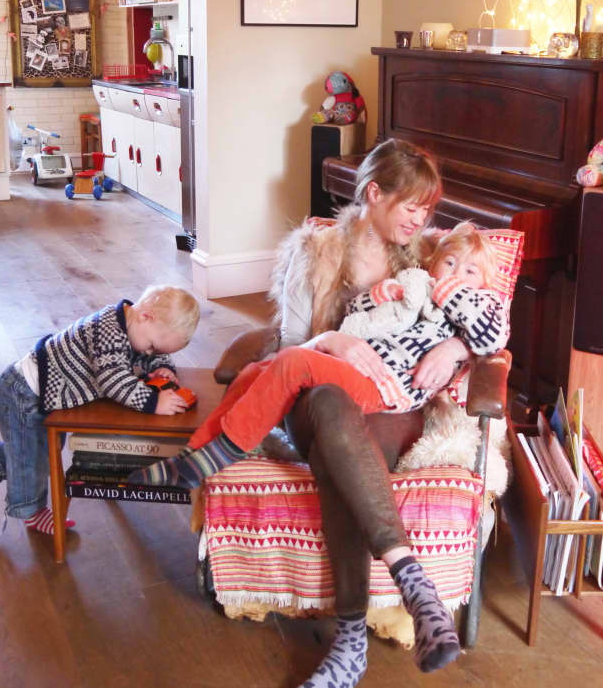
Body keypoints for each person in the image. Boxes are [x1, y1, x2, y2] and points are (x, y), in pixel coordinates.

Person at [136, 140, 482, 685]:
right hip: (315, 396)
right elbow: (290, 346)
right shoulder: (314, 251)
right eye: (411, 205)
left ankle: (350, 642)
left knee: (339, 450)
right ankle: (412, 587)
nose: (421, 219)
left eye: (428, 209)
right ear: (373, 194)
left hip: (394, 402)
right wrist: (334, 341)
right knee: (327, 405)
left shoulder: (426, 260)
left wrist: (454, 350)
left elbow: (479, 319)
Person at [131, 223, 507, 479]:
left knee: (293, 361)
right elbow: (357, 316)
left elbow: (492, 338)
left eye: (471, 271)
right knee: (254, 372)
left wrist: (451, 301)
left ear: (485, 283)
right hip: (353, 362)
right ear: (433, 262)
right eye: (450, 263)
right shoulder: (416, 284)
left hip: (387, 384)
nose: (457, 274)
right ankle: (191, 456)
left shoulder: (481, 302)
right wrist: (385, 295)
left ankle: (222, 452)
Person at [0, 285, 200, 536]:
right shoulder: (107, 330)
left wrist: (163, 367)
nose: (148, 353)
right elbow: (113, 379)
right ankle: (31, 511)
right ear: (145, 316)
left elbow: (146, 355)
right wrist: (154, 403)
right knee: (31, 462)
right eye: (152, 347)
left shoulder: (135, 326)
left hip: (47, 396)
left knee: (36, 452)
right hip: (21, 395)